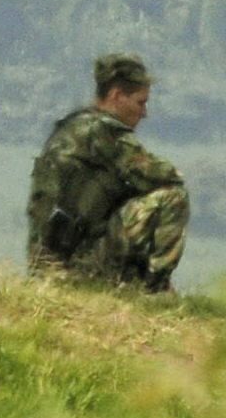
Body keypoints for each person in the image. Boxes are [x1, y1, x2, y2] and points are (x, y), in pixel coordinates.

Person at [26, 53, 189, 290]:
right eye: (140, 103)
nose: (144, 113)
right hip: (79, 264)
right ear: (116, 96)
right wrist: (178, 174)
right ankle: (156, 289)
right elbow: (159, 174)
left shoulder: (73, 126)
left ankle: (130, 282)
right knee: (173, 196)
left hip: (47, 267)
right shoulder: (103, 132)